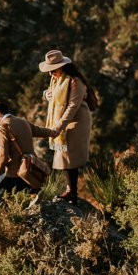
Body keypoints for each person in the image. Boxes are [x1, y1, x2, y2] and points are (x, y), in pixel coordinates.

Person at [39, 49, 94, 203]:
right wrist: (46, 94)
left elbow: (72, 106)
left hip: (77, 122)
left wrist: (58, 127)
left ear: (62, 66)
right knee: (64, 157)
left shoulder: (75, 81)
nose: (51, 74)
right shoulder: (57, 80)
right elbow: (52, 94)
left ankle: (72, 192)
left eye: (53, 70)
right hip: (64, 122)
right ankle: (71, 191)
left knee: (70, 157)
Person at [0, 101, 55, 207]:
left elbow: (2, 156)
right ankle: (33, 191)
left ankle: (7, 217)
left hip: (15, 173)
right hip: (30, 171)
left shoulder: (2, 130)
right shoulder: (23, 122)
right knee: (5, 185)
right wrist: (54, 132)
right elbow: (40, 131)